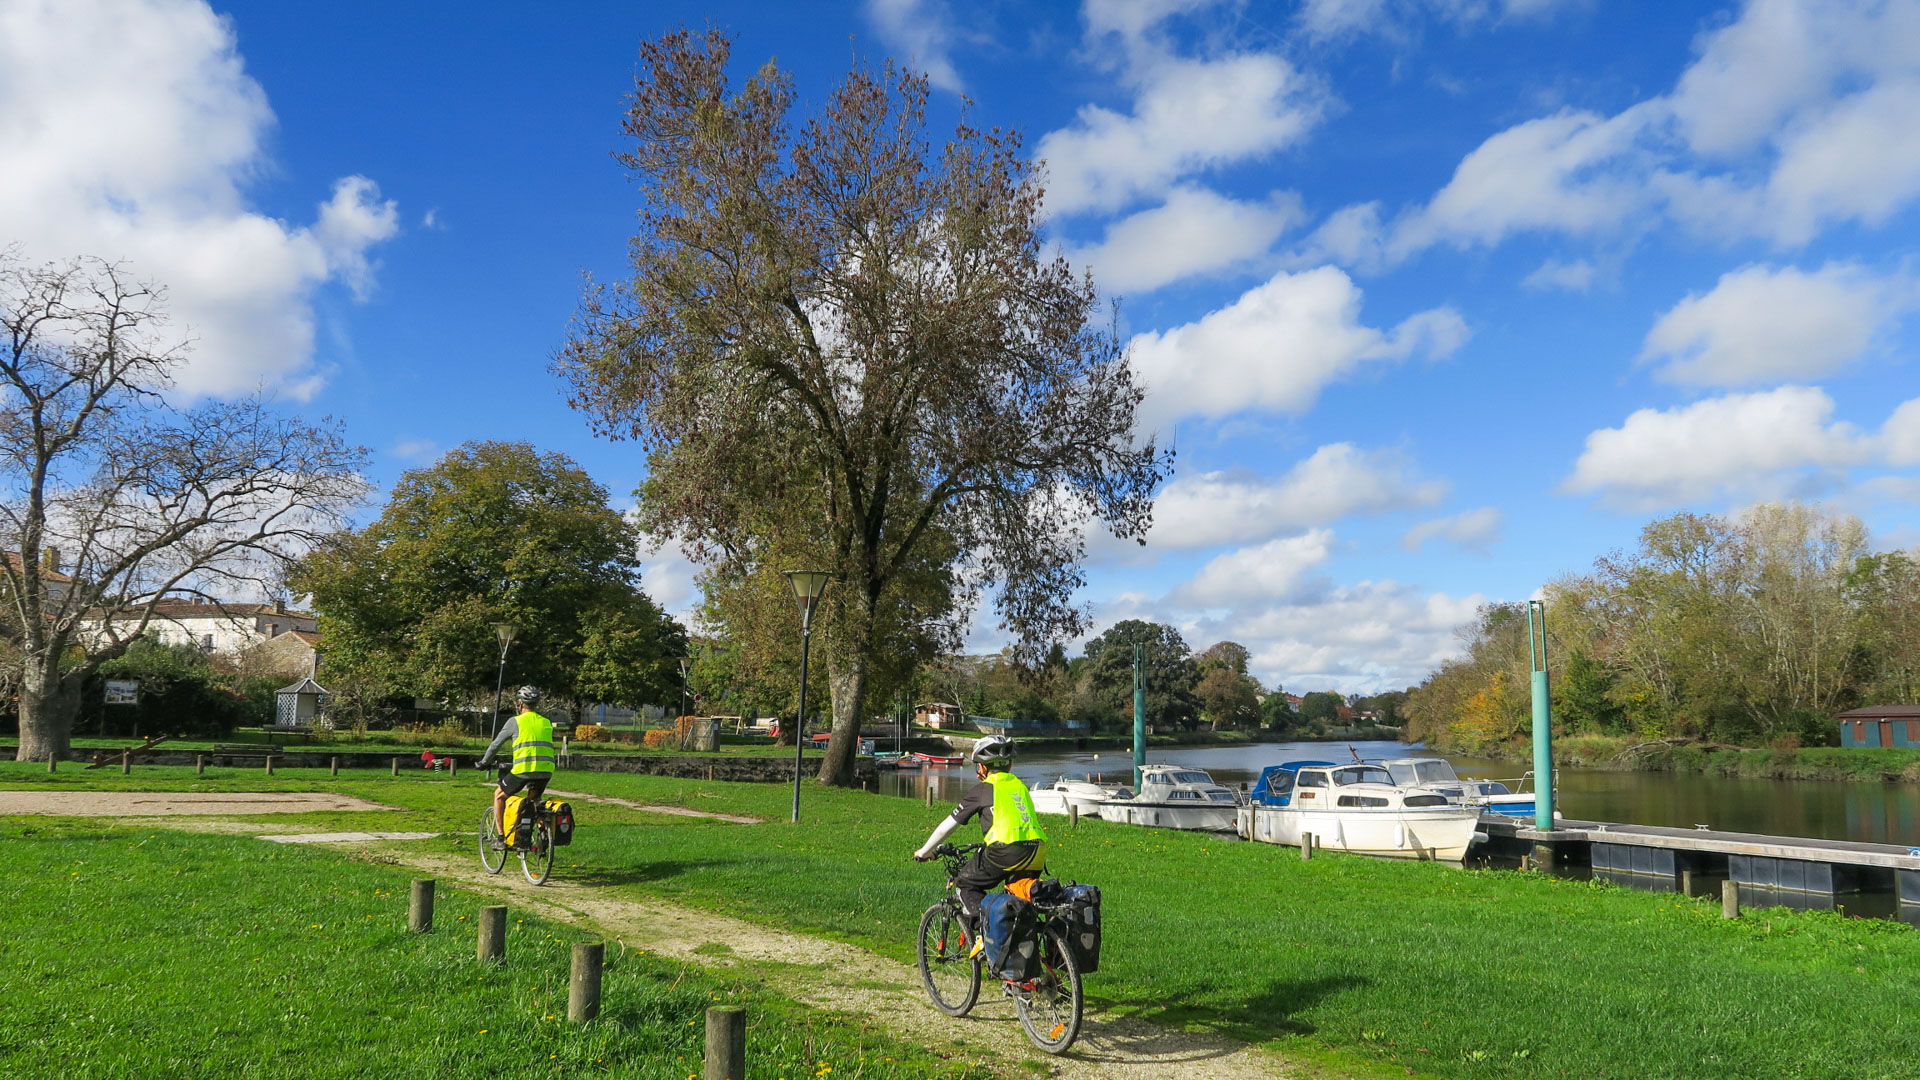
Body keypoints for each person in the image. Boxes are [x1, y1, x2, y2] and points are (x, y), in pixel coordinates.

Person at [912, 734, 1048, 938]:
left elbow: (947, 826)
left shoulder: (984, 789)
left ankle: (985, 934)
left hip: (1005, 852)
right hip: (1037, 851)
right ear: (1008, 766)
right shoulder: (1020, 786)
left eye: (977, 766)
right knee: (1018, 896)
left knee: (965, 883)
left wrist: (924, 852)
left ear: (983, 768)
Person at [477, 686, 556, 846]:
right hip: (546, 771)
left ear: (520, 704)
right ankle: (544, 833)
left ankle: (500, 838)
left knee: (499, 796)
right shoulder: (546, 722)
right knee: (535, 800)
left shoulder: (515, 722)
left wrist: (484, 762)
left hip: (523, 771)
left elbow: (495, 745)